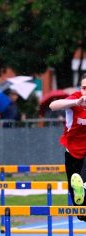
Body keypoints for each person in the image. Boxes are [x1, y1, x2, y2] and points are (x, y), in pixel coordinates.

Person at [49, 74, 86, 222]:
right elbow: (53, 106)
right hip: (72, 151)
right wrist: (76, 102)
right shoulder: (76, 98)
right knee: (81, 211)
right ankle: (80, 191)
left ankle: (84, 184)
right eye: (84, 88)